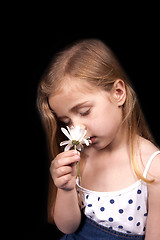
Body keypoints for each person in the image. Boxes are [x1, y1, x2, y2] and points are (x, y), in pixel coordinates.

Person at [37, 39, 160, 239]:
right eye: (67, 121)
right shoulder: (79, 158)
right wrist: (65, 188)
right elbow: (68, 228)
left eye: (84, 112)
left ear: (118, 93)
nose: (76, 129)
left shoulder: (152, 167)